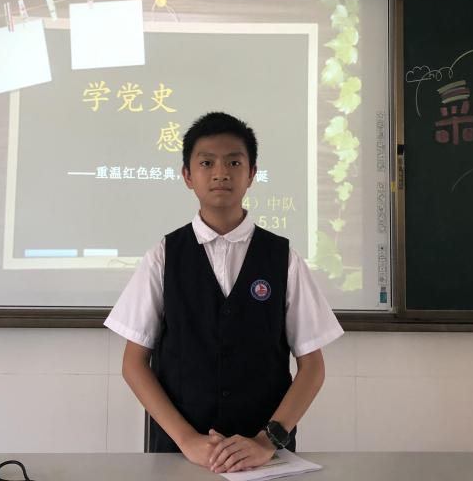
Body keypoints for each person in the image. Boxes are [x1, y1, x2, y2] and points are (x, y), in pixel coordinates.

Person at [104, 111, 343, 473]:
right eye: (206, 163)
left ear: (252, 173)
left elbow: (313, 367)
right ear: (187, 175)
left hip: (264, 459)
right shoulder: (164, 256)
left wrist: (266, 442)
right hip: (178, 454)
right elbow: (133, 363)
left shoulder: (283, 258)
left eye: (234, 162)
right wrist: (188, 440)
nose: (221, 173)